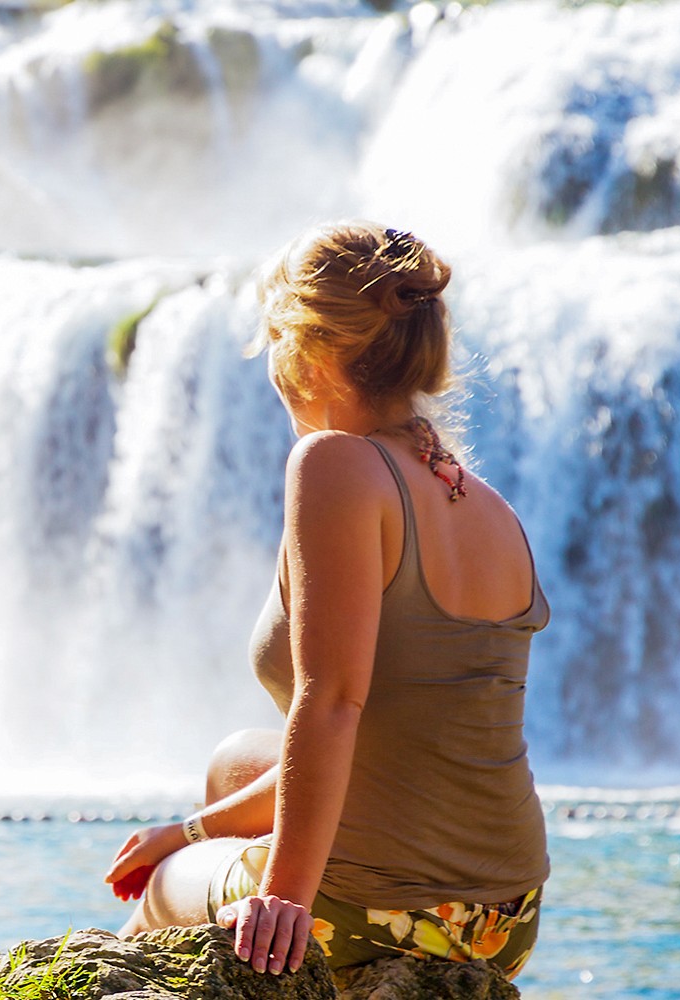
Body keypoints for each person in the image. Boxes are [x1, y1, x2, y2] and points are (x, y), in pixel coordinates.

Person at [104, 222, 549, 980]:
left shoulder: (334, 464)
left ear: (302, 347)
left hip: (384, 910)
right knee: (233, 765)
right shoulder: (488, 505)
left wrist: (282, 897)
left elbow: (333, 700)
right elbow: (392, 734)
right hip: (504, 917)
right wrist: (186, 830)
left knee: (149, 927)